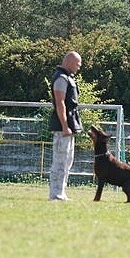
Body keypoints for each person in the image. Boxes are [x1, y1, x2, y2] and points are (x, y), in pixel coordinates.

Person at [48, 51, 83, 201]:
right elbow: (60, 103)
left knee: (67, 161)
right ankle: (56, 194)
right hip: (63, 127)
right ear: (68, 62)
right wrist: (64, 126)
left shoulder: (68, 78)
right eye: (77, 64)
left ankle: (61, 192)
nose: (79, 67)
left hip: (69, 125)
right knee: (60, 161)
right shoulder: (61, 78)